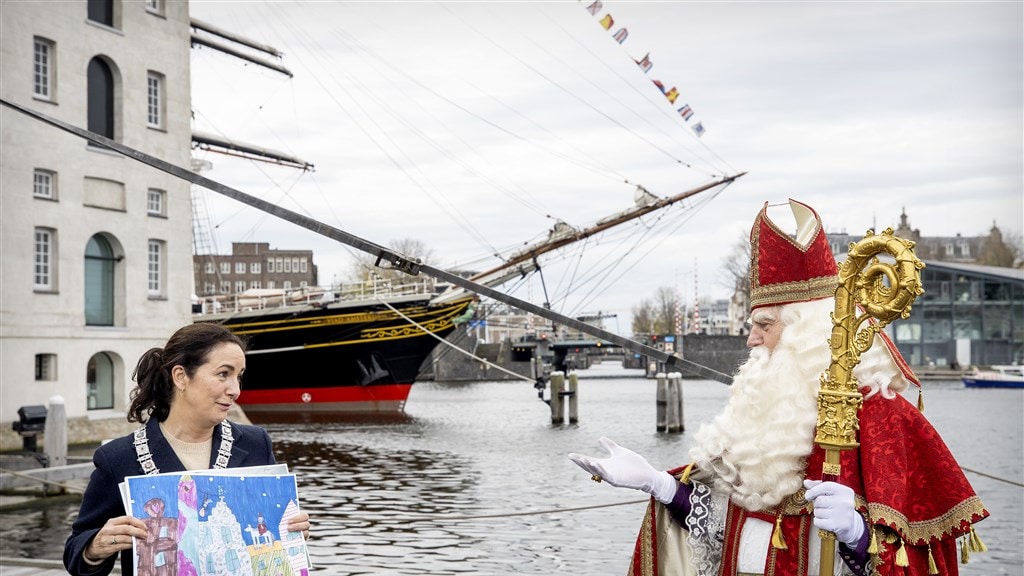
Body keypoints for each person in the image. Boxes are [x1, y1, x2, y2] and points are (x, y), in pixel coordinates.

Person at [569, 199, 988, 576]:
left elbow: (918, 560)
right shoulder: (764, 412)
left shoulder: (884, 419)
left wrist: (859, 536)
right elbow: (720, 529)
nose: (751, 339)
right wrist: (657, 484)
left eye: (764, 326)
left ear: (807, 335)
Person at [64, 323, 312, 576]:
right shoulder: (118, 458)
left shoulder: (255, 443)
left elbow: (273, 536)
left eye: (239, 376)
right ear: (181, 376)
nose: (235, 390)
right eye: (223, 374)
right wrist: (95, 547)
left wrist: (292, 531)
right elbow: (76, 555)